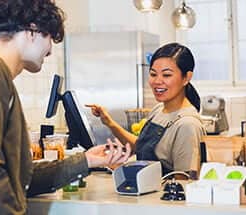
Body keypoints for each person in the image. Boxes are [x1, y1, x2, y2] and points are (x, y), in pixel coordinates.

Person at [0, 0, 131, 214]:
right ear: (32, 30)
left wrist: (86, 161)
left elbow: (20, 179)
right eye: (49, 38)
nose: (49, 51)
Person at [87, 43, 206, 176]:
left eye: (166, 75)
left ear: (186, 78)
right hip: (145, 193)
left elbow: (184, 180)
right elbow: (140, 147)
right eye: (153, 74)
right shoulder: (158, 109)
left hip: (159, 196)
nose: (157, 81)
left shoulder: (187, 125)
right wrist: (109, 122)